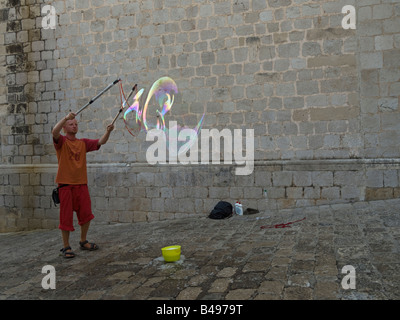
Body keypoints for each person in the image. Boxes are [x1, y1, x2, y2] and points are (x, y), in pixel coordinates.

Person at [52, 112, 114, 258]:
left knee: (86, 214)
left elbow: (100, 142)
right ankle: (66, 246)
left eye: (75, 124)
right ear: (64, 128)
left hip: (81, 184)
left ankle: (83, 241)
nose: (74, 126)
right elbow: (54, 131)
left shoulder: (83, 143)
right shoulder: (61, 142)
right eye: (71, 124)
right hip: (66, 185)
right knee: (65, 217)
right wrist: (65, 118)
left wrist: (108, 131)